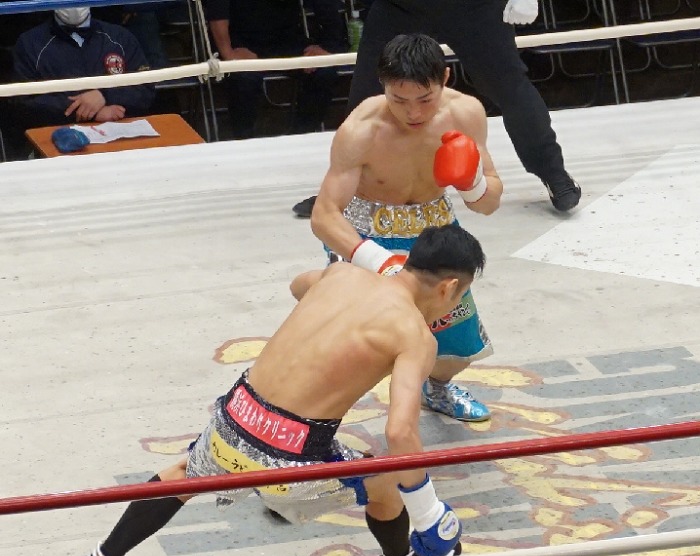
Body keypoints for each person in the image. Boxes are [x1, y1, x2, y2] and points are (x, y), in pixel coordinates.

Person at [66, 224, 486, 556]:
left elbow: (298, 286)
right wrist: (429, 513)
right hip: (291, 459)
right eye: (460, 295)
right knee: (385, 482)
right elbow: (400, 434)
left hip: (233, 420)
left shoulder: (341, 275)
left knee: (182, 474)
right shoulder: (414, 335)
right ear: (448, 287)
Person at [309, 33, 502, 422]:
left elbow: (488, 204)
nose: (413, 112)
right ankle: (317, 414)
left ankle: (438, 388)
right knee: (354, 347)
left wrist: (473, 183)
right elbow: (324, 215)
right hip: (367, 233)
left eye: (425, 99)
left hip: (436, 232)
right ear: (383, 85)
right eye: (399, 100)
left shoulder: (466, 114)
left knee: (456, 346)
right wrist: (380, 263)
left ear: (444, 78)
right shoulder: (361, 130)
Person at [292, 0, 580, 217]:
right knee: (367, 91)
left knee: (509, 85)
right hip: (401, 5)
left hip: (473, 5)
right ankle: (341, 191)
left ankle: (554, 174)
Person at [206, 0, 348, 139]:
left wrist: (328, 45)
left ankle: (300, 138)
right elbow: (217, 10)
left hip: (287, 39)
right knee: (244, 80)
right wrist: (228, 53)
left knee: (324, 71)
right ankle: (245, 143)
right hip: (241, 42)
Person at [10, 7, 155, 134]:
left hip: (122, 134)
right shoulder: (30, 43)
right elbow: (23, 103)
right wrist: (91, 113)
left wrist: (105, 95)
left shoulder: (120, 37)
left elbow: (145, 89)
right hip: (57, 137)